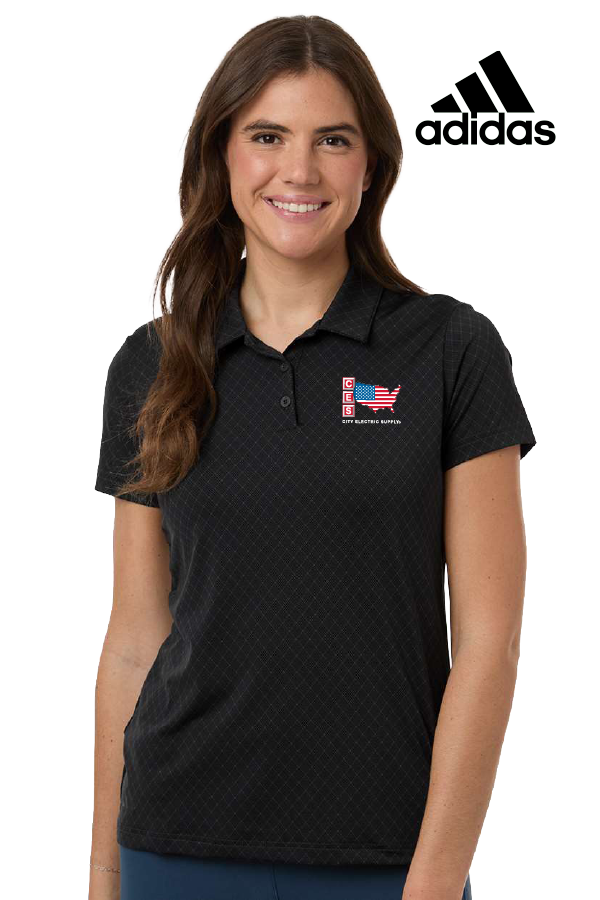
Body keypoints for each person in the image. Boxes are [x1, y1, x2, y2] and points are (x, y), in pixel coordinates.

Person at [89, 14, 536, 900]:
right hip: (175, 848)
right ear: (222, 157)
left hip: (387, 860)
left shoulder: (450, 350)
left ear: (371, 166)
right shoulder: (152, 363)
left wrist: (435, 881)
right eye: (267, 137)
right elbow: (135, 641)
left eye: (333, 139)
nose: (299, 171)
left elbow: (491, 642)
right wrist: (103, 876)